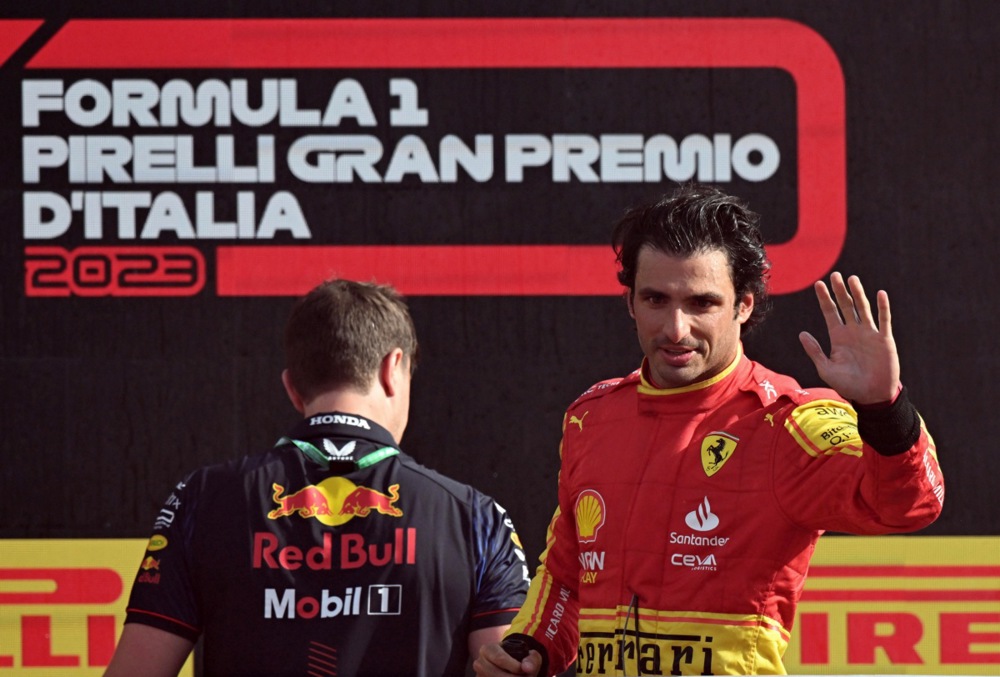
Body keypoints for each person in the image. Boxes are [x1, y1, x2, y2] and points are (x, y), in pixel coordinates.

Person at [474, 184, 944, 676]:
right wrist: (532, 645)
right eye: (656, 299)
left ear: (742, 306)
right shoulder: (592, 417)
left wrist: (883, 409)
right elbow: (568, 574)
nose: (676, 328)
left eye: (701, 303)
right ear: (630, 301)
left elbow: (907, 507)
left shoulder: (789, 422)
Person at [105, 279, 530, 677]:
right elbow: (511, 665)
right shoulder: (472, 516)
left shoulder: (203, 499)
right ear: (392, 369)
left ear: (293, 388)